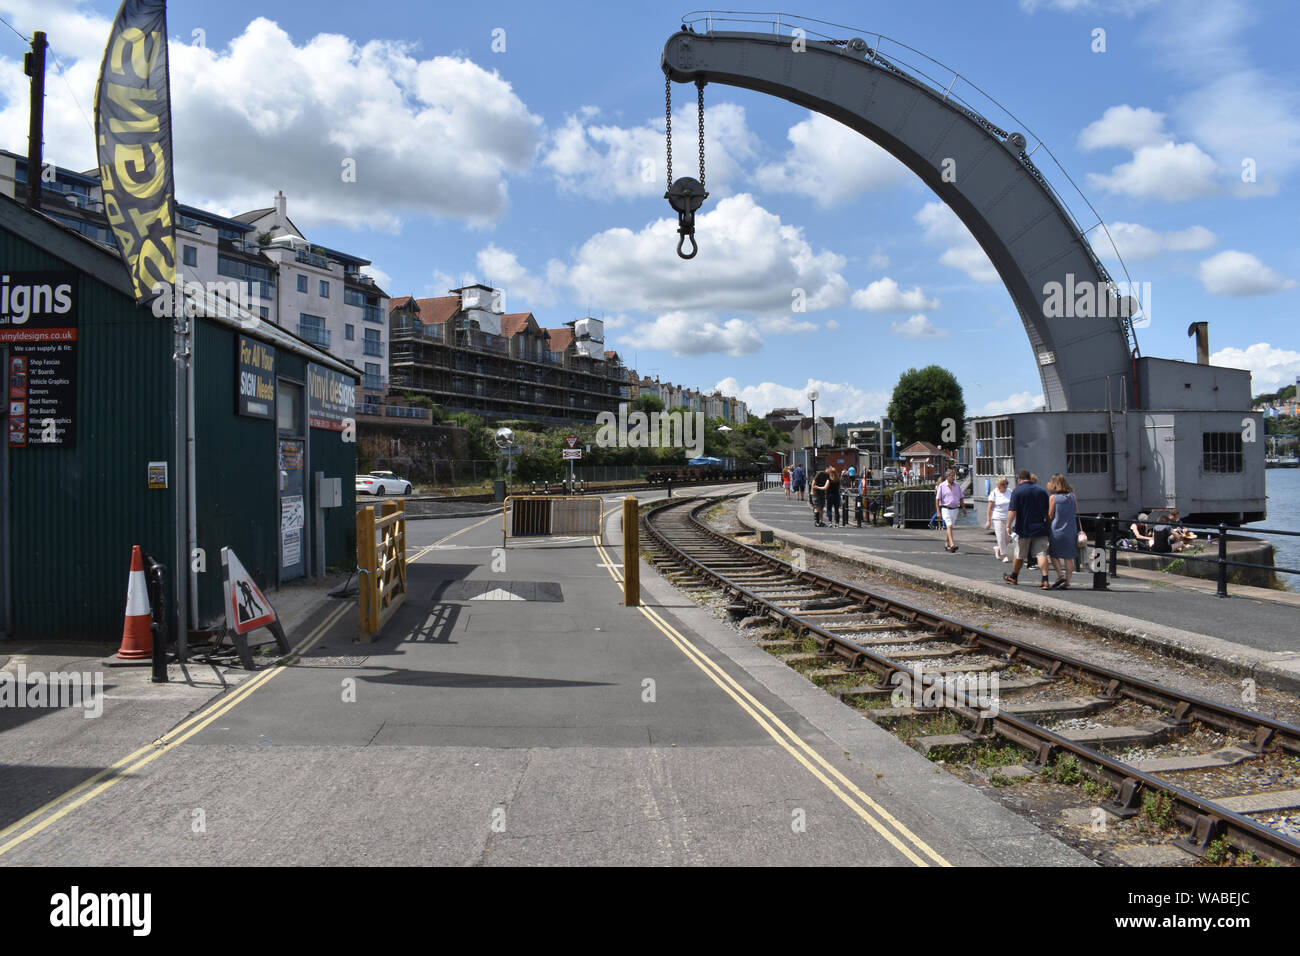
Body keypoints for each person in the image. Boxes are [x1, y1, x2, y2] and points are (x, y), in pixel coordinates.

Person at [1004, 470, 1051, 588]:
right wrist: (1048, 525)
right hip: (1040, 528)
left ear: (1019, 479)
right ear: (1029, 478)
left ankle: (1014, 577)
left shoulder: (1017, 491)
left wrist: (1008, 525)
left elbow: (1012, 511)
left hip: (1024, 529)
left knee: (1019, 554)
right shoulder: (1041, 491)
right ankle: (1045, 580)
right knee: (1041, 554)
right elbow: (1047, 512)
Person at [1046, 473, 1081, 589]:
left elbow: (1050, 515)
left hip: (1057, 531)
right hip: (1071, 530)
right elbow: (1076, 512)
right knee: (1069, 557)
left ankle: (1060, 575)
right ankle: (1068, 583)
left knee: (1053, 554)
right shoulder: (1072, 496)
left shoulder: (1053, 498)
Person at [935, 468, 964, 552]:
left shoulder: (957, 486)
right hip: (945, 508)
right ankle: (952, 544)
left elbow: (961, 497)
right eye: (951, 476)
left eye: (954, 476)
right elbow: (937, 499)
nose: (953, 478)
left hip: (955, 509)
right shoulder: (942, 486)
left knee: (950, 527)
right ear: (947, 477)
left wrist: (964, 508)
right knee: (949, 525)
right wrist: (938, 511)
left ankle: (946, 543)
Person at [985, 475, 1012, 562]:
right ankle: (1005, 555)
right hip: (998, 517)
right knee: (1000, 537)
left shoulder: (1010, 492)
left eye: (1006, 483)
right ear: (999, 485)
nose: (1005, 485)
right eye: (1003, 484)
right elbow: (990, 508)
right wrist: (988, 520)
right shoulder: (994, 493)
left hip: (1008, 517)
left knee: (1008, 538)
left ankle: (998, 549)